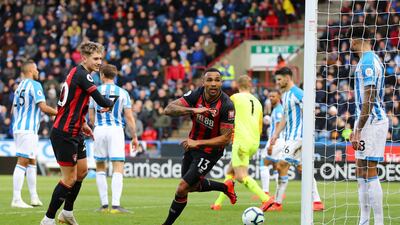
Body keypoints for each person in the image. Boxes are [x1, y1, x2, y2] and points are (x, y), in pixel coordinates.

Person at [40, 41, 115, 225]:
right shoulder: (84, 76)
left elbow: (72, 104)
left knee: (81, 172)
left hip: (75, 130)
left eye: (101, 58)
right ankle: (48, 219)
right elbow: (102, 100)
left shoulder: (77, 72)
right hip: (64, 133)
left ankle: (67, 212)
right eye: (96, 58)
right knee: (69, 178)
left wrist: (82, 123)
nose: (99, 62)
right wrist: (112, 102)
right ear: (84, 58)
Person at [161, 68, 237, 225]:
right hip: (192, 146)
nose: (213, 83)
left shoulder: (227, 105)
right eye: (209, 80)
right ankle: (225, 187)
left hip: (210, 151)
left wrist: (197, 143)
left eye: (217, 80)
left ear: (221, 83)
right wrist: (194, 109)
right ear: (203, 83)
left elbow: (225, 139)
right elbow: (168, 109)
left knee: (182, 188)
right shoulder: (196, 94)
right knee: (192, 187)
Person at [210, 75, 274, 211]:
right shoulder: (257, 101)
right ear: (250, 85)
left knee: (240, 176)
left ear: (236, 85)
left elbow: (223, 116)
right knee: (230, 171)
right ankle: (217, 203)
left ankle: (266, 199)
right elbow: (260, 125)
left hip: (241, 140)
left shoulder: (234, 98)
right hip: (254, 142)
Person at [270, 67, 324, 211]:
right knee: (302, 168)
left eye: (279, 79)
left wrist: (307, 135)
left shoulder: (298, 93)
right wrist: (275, 135)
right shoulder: (286, 95)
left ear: (288, 78)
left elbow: (310, 112)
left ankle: (277, 203)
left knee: (281, 165)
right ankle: (317, 202)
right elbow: (285, 118)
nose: (278, 82)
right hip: (290, 137)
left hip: (299, 137)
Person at [349, 26, 388, 225]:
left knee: (369, 169)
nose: (348, 44)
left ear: (355, 40)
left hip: (372, 121)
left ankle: (378, 221)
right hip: (367, 120)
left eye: (349, 40)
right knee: (360, 169)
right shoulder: (372, 60)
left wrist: (357, 129)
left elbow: (370, 98)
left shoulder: (367, 63)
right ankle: (364, 220)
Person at [88, 64, 139, 213]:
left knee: (100, 166)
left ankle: (104, 205)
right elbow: (129, 117)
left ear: (102, 75)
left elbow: (91, 117)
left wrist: (96, 127)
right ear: (115, 76)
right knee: (118, 166)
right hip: (116, 130)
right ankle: (115, 205)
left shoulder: (95, 91)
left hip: (99, 129)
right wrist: (134, 136)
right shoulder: (123, 92)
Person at [11, 60, 58, 208]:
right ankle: (16, 199)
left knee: (31, 160)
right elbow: (43, 107)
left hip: (19, 127)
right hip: (27, 129)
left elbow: (13, 110)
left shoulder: (18, 88)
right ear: (31, 70)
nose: (38, 72)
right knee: (23, 161)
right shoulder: (35, 85)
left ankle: (34, 197)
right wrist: (59, 113)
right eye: (36, 69)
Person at [259, 89, 289, 210]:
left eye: (273, 96)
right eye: (270, 96)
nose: (271, 98)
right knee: (276, 166)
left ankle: (265, 193)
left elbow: (278, 126)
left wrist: (271, 144)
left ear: (279, 97)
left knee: (263, 163)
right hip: (279, 141)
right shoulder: (278, 109)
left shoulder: (278, 110)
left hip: (275, 141)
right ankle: (278, 195)